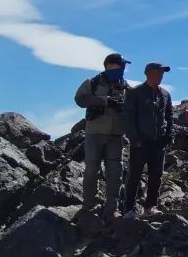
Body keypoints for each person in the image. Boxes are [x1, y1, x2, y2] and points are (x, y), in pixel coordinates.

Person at [73, 52, 131, 219]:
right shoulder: (92, 83)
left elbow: (132, 106)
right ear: (109, 66)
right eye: (120, 65)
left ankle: (112, 208)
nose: (122, 69)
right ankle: (88, 205)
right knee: (92, 170)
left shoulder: (125, 86)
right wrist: (104, 101)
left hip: (116, 135)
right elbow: (79, 99)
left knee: (115, 173)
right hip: (95, 133)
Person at [122, 62, 174, 217]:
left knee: (156, 176)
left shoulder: (165, 94)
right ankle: (129, 209)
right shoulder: (135, 93)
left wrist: (169, 136)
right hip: (140, 142)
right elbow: (128, 118)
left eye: (162, 73)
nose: (161, 76)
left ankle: (150, 207)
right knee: (134, 176)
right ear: (148, 74)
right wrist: (134, 139)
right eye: (158, 72)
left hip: (159, 143)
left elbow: (169, 117)